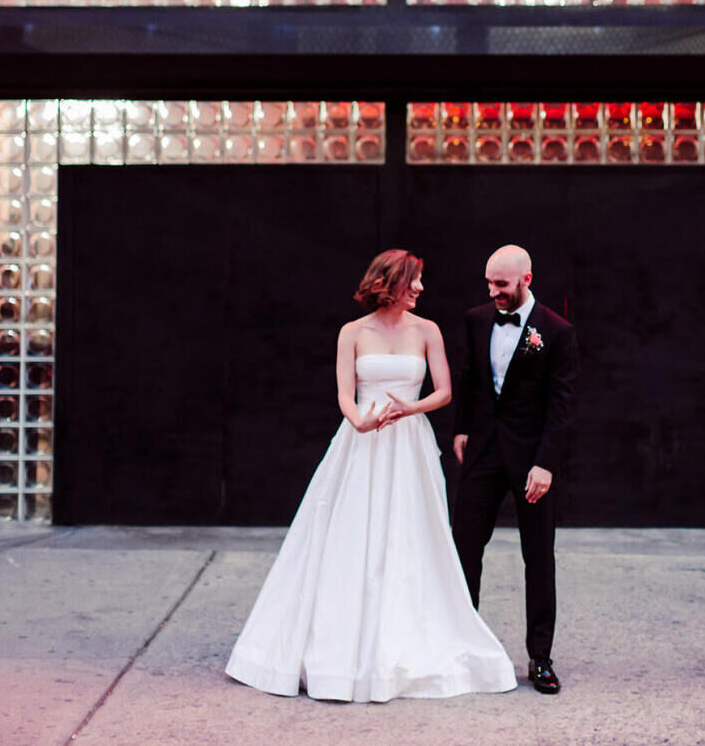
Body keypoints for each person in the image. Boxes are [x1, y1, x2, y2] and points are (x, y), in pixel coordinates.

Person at [226, 248, 516, 702]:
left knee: (410, 534)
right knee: (348, 533)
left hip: (408, 444)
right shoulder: (352, 333)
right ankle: (340, 642)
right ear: (391, 283)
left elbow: (444, 392)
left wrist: (409, 408)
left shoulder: (428, 330)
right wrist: (359, 420)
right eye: (414, 280)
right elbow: (345, 393)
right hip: (360, 441)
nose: (421, 288)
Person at [452, 244, 578, 695]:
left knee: (538, 558)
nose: (493, 292)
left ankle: (540, 658)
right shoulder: (477, 319)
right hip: (483, 453)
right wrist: (462, 429)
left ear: (527, 279)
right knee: (464, 550)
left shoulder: (557, 331)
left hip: (532, 459)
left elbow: (562, 406)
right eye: (489, 283)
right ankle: (461, 649)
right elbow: (468, 378)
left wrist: (546, 463)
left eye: (501, 284)